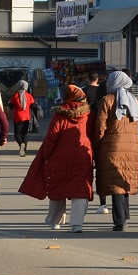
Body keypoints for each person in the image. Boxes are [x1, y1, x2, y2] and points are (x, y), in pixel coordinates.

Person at [20, 85, 95, 232]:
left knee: (58, 187)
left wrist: (47, 155)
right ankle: (76, 224)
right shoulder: (88, 114)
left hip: (60, 156)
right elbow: (93, 134)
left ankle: (54, 221)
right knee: (80, 189)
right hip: (82, 155)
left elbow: (52, 137)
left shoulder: (60, 114)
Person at [89, 70, 138, 232]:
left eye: (109, 81)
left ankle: (119, 221)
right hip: (132, 147)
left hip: (111, 147)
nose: (108, 84)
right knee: (125, 180)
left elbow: (100, 126)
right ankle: (125, 216)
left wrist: (97, 144)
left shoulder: (107, 100)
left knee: (116, 182)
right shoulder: (134, 101)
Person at [9, 81, 37, 156]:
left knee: (17, 135)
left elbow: (10, 105)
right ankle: (23, 152)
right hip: (26, 118)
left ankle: (21, 144)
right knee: (24, 134)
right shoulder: (29, 96)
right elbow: (34, 107)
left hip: (17, 117)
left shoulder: (15, 95)